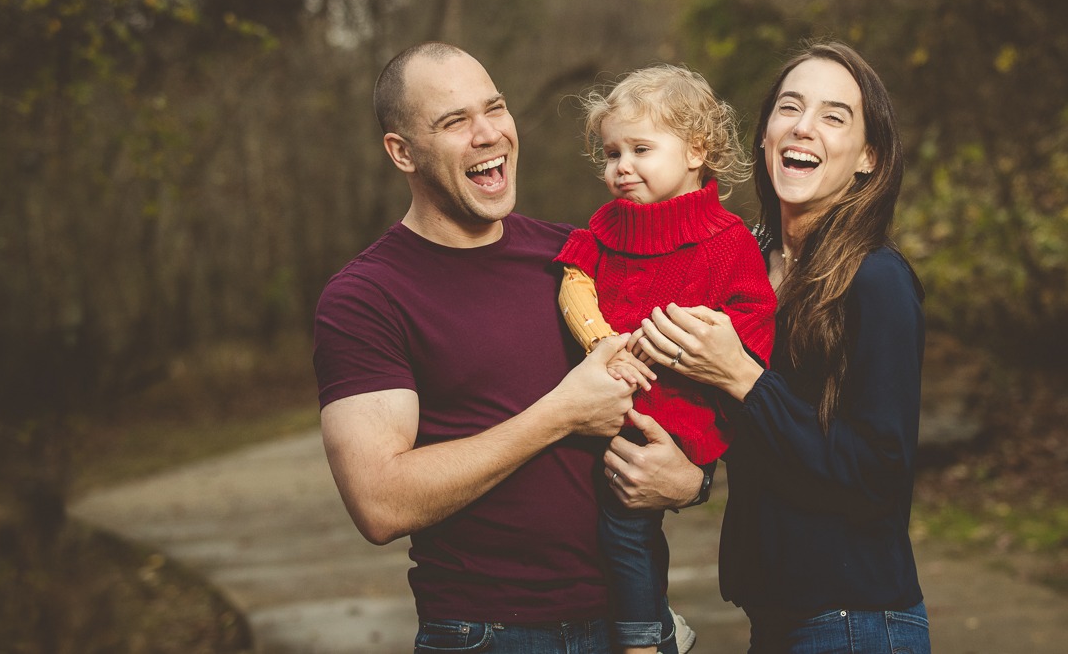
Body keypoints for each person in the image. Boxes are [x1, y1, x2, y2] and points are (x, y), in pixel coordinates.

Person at [312, 42, 700, 654]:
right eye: (453, 122)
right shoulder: (366, 297)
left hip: (633, 624)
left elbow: (681, 398)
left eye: (494, 108)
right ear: (402, 151)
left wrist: (691, 481)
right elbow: (378, 502)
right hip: (486, 633)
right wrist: (560, 413)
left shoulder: (578, 254)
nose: (487, 133)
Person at [628, 41, 932, 653]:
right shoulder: (744, 265)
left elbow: (879, 479)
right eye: (789, 107)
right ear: (765, 136)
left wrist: (742, 375)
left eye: (833, 115)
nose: (803, 126)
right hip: (775, 619)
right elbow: (767, 449)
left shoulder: (877, 279)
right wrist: (692, 478)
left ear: (868, 157)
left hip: (857, 621)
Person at [555, 65, 776, 654]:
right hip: (607, 401)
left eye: (640, 149)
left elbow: (754, 316)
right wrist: (600, 337)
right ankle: (655, 620)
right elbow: (574, 279)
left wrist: (703, 338)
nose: (620, 166)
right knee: (581, 520)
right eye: (611, 153)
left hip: (676, 413)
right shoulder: (607, 225)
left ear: (696, 151)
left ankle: (642, 641)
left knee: (627, 527)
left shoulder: (727, 239)